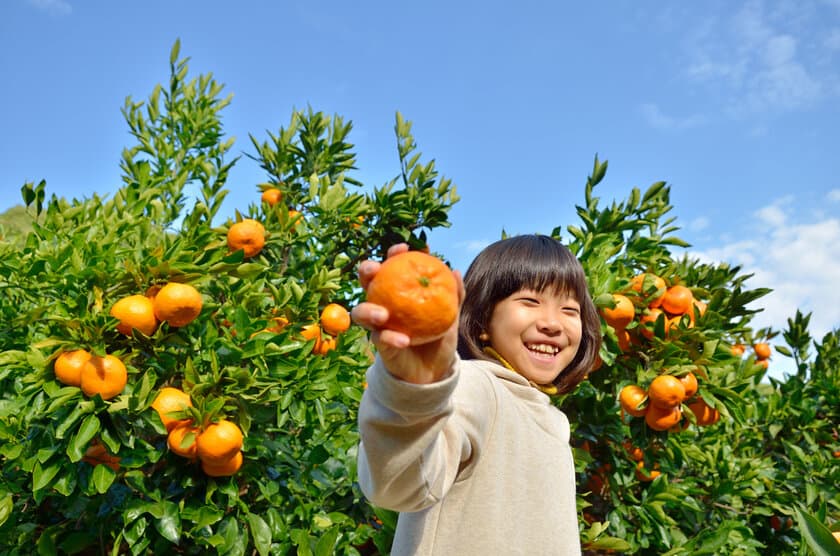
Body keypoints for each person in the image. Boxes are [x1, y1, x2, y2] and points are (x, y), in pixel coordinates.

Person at [352, 234, 601, 555]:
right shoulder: (477, 388)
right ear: (483, 320)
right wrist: (411, 387)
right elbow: (400, 483)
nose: (552, 323)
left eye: (570, 309)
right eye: (530, 302)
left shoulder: (553, 422)